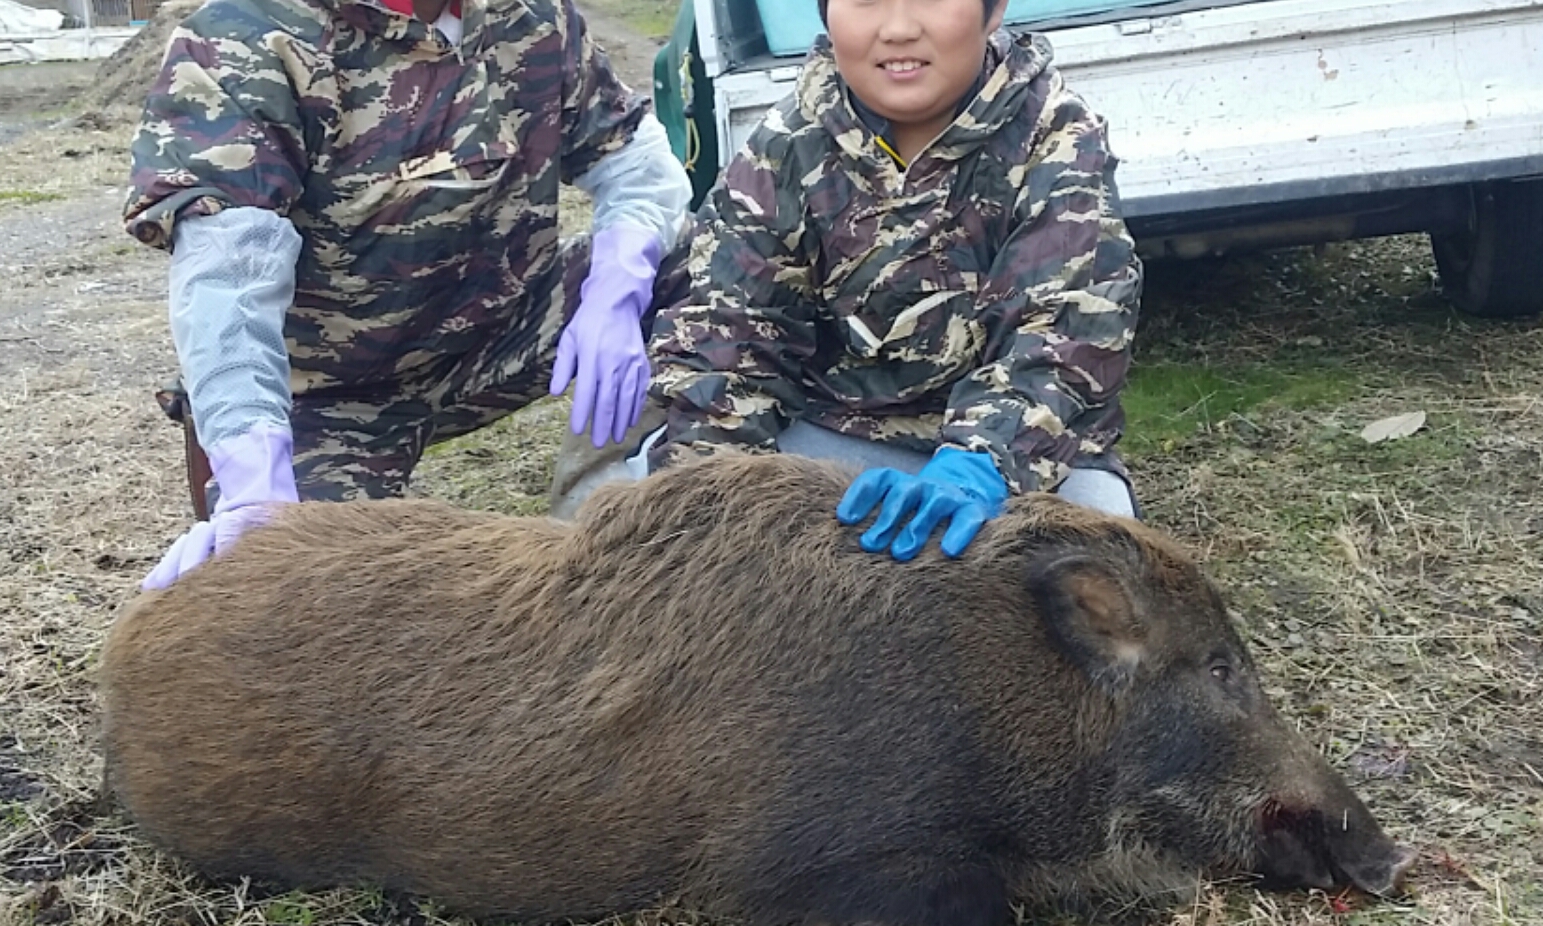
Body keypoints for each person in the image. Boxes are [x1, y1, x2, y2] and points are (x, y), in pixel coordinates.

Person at [125, 0, 692, 589]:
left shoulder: (529, 16)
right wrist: (252, 478)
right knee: (297, 583)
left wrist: (615, 294)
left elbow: (633, 158)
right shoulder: (248, 37)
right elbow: (226, 279)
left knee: (692, 263)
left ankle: (615, 530)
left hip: (499, 334)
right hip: (328, 397)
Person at [638, 0, 1145, 562]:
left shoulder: (1057, 136)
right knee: (665, 517)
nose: (899, 28)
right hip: (835, 437)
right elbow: (727, 338)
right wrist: (714, 502)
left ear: (994, 9)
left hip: (1018, 459)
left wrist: (981, 459)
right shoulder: (784, 146)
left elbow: (1067, 332)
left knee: (1107, 570)